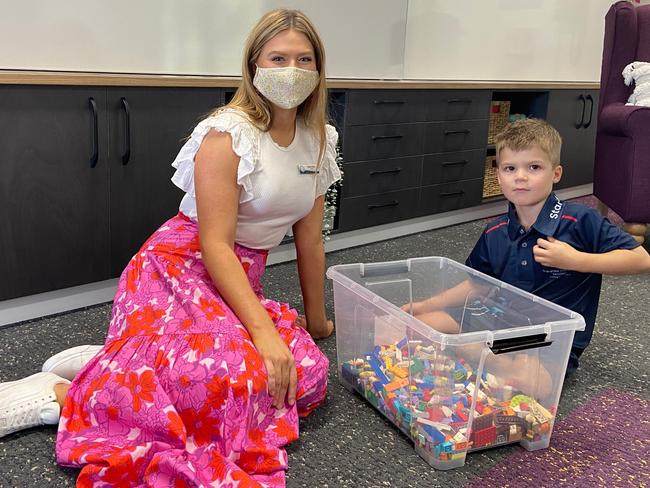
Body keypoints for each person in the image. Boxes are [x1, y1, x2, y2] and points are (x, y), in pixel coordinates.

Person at [0, 9, 340, 487]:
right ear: (254, 65)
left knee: (304, 376)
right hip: (179, 268)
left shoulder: (320, 141)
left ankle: (124, 363)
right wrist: (263, 333)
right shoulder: (227, 134)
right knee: (235, 380)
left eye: (305, 59)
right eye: (278, 58)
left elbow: (310, 239)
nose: (292, 71)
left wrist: (319, 320)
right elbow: (216, 245)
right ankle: (59, 393)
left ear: (319, 69)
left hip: (236, 282)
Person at [406, 118, 650, 389]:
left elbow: (641, 259)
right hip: (498, 325)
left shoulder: (580, 219)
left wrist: (577, 260)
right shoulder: (494, 230)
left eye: (534, 167)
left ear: (556, 173)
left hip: (548, 343)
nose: (520, 177)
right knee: (420, 322)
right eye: (510, 168)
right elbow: (476, 285)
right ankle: (483, 361)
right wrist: (426, 305)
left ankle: (477, 360)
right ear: (498, 175)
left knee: (530, 380)